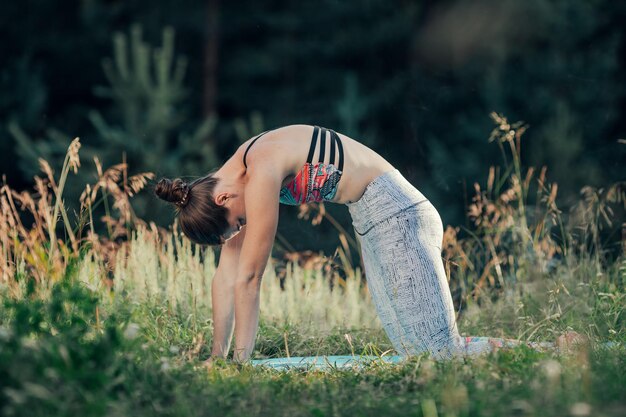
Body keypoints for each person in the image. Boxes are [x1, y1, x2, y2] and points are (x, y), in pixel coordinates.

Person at [155, 124, 584, 363]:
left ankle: (559, 352)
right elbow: (225, 276)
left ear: (224, 198)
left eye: (238, 223)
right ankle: (551, 352)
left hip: (399, 215)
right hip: (374, 224)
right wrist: (217, 358)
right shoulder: (236, 179)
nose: (242, 229)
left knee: (439, 355)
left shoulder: (261, 167)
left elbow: (248, 278)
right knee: (420, 355)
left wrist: (240, 365)